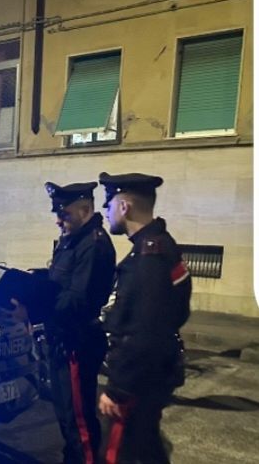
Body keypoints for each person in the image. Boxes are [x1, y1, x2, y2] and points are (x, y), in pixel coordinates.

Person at [97, 172, 191, 464]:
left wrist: (117, 390)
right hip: (153, 376)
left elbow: (144, 331)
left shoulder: (148, 258)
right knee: (146, 448)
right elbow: (178, 313)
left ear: (124, 207)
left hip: (137, 382)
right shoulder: (161, 245)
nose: (106, 212)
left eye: (109, 205)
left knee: (115, 455)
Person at [43, 181, 116, 464]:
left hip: (77, 341)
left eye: (64, 214)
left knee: (79, 421)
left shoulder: (93, 245)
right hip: (62, 338)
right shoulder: (72, 240)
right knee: (65, 414)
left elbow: (77, 299)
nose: (58, 220)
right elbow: (57, 284)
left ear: (85, 210)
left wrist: (36, 310)